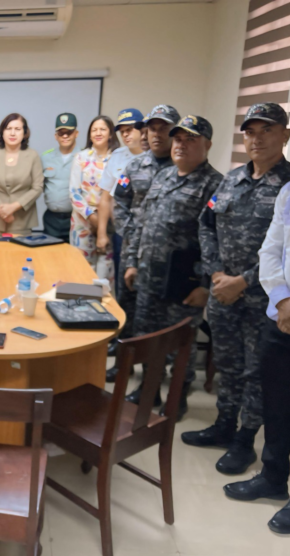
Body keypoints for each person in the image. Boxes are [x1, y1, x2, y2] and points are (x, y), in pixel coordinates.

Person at [184, 103, 290, 475]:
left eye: (266, 130)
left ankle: (245, 439)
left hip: (265, 300)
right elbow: (206, 225)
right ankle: (224, 425)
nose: (257, 139)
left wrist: (243, 281)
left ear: (285, 135)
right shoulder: (231, 180)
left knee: (258, 372)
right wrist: (216, 273)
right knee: (229, 364)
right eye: (251, 132)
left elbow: (289, 249)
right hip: (223, 293)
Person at [223, 126, 290, 535]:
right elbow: (270, 251)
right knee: (277, 407)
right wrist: (281, 300)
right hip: (281, 318)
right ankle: (273, 478)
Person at [124, 115, 222, 420]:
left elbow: (217, 239)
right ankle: (148, 391)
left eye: (190, 139)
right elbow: (142, 222)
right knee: (146, 335)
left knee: (182, 342)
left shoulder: (215, 184)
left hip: (184, 280)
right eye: (178, 139)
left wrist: (205, 284)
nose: (181, 145)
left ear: (207, 144)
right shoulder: (164, 176)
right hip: (149, 275)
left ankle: (177, 397)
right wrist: (131, 262)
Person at [108, 105, 179, 383]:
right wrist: (135, 236)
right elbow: (120, 205)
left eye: (164, 128)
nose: (157, 134)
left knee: (163, 321)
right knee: (127, 310)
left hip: (170, 261)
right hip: (133, 253)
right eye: (152, 128)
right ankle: (123, 366)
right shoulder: (135, 166)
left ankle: (163, 377)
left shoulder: (184, 167)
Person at [69, 115, 120, 284]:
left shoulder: (118, 158)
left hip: (110, 222)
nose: (98, 133)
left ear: (111, 133)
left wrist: (102, 223)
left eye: (103, 129)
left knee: (104, 272)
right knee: (81, 270)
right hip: (82, 221)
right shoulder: (81, 157)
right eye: (94, 130)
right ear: (89, 134)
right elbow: (74, 192)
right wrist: (92, 216)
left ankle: (103, 308)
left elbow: (118, 192)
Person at [95, 108, 145, 275]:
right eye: (122, 131)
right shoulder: (117, 155)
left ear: (142, 129)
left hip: (147, 234)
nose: (125, 135)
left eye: (129, 130)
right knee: (121, 279)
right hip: (121, 232)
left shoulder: (155, 155)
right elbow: (106, 197)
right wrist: (102, 233)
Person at [0, 113, 44, 235]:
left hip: (21, 221)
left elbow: (37, 187)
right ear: (2, 132)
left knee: (19, 254)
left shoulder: (32, 155)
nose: (12, 133)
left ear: (24, 133)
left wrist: (13, 207)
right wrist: (1, 208)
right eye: (8, 129)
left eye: (17, 129)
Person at [41, 112, 80, 242]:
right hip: (51, 218)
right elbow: (38, 185)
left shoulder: (84, 157)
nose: (64, 136)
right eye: (61, 133)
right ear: (55, 136)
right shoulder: (46, 158)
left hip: (76, 218)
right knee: (49, 257)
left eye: (69, 132)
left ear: (76, 134)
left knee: (74, 258)